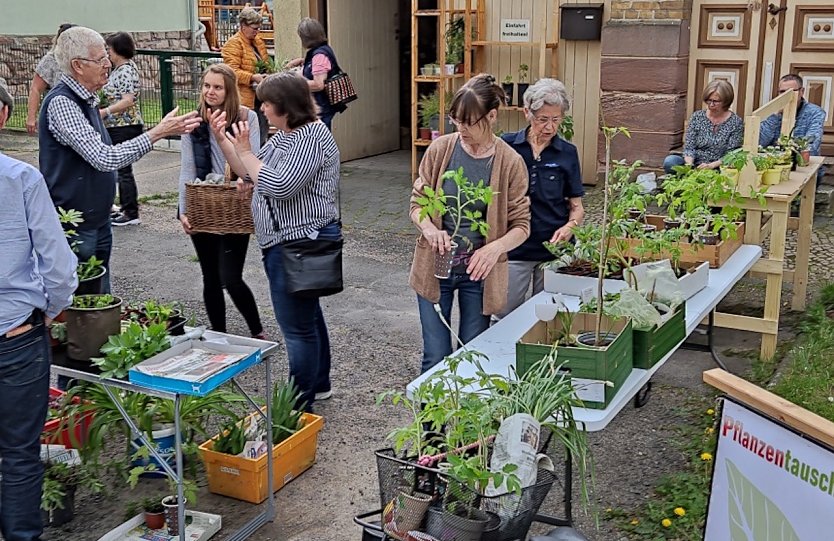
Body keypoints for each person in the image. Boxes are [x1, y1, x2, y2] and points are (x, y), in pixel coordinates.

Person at [210, 72, 341, 410]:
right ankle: (318, 384)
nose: (263, 109)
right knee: (307, 317)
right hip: (285, 242)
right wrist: (224, 140)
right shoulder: (286, 135)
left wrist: (250, 159)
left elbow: (281, 184)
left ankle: (298, 404)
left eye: (268, 103)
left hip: (298, 242)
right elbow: (249, 169)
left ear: (287, 106)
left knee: (297, 328)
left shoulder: (311, 136)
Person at [40, 26, 200, 293]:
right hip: (77, 224)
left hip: (96, 219)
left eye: (107, 57)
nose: (107, 64)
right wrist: (158, 132)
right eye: (100, 59)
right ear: (77, 66)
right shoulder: (63, 103)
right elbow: (104, 158)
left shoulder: (86, 99)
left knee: (101, 297)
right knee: (83, 302)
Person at [0, 76, 79, 541]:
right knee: (20, 455)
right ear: (4, 115)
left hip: (18, 334)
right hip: (16, 338)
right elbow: (58, 266)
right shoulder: (21, 179)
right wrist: (49, 310)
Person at [409, 74, 531, 373]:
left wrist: (493, 250)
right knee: (435, 357)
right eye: (456, 121)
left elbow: (522, 225)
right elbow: (417, 204)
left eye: (469, 122)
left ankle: (465, 420)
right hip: (436, 267)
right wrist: (430, 228)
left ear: (492, 116)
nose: (461, 129)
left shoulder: (510, 163)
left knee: (470, 356)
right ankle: (428, 422)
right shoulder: (441, 151)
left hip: (479, 274)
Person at [178, 64, 265, 340]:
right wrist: (183, 210)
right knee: (210, 277)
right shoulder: (194, 122)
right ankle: (219, 334)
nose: (210, 92)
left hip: (234, 206)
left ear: (229, 91)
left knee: (231, 276)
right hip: (204, 204)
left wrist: (246, 179)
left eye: (217, 87)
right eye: (206, 86)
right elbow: (187, 169)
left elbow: (254, 161)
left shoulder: (246, 118)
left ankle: (257, 330)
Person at [497, 78, 585, 319]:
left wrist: (570, 227)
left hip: (553, 250)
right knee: (502, 314)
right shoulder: (506, 146)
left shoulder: (567, 153)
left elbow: (577, 206)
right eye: (542, 119)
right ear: (527, 113)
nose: (549, 127)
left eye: (556, 119)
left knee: (548, 318)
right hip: (514, 249)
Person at [102, 32, 144, 226]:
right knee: (120, 169)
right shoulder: (119, 69)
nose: (107, 53)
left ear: (118, 50)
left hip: (124, 125)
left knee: (123, 170)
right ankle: (126, 207)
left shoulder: (125, 70)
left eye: (109, 49)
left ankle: (130, 211)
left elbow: (128, 100)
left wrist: (106, 111)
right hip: (118, 125)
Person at [663, 79, 744, 173]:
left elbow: (732, 154)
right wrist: (689, 164)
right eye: (709, 100)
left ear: (726, 101)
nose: (711, 105)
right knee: (670, 162)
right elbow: (689, 147)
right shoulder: (697, 117)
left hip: (718, 166)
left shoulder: (735, 122)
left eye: (716, 101)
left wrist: (711, 165)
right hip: (695, 163)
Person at [759, 74, 827, 183]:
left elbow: (812, 145)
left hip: (802, 168)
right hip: (772, 168)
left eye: (791, 92)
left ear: (801, 91)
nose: (787, 96)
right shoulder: (772, 110)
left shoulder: (815, 113)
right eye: (782, 92)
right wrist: (776, 116)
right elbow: (760, 142)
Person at [286, 17, 346, 130]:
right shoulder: (323, 49)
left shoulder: (319, 55)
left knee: (318, 140)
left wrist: (294, 82)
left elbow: (319, 84)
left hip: (320, 107)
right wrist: (302, 61)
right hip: (323, 106)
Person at [221, 6, 269, 144]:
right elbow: (231, 71)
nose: (257, 31)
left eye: (258, 28)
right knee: (249, 135)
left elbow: (265, 62)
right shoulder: (233, 44)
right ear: (243, 26)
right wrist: (253, 77)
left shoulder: (258, 41)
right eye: (254, 28)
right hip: (245, 98)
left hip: (261, 96)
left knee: (261, 131)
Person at [26, 22, 76, 135]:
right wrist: (31, 118)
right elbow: (36, 88)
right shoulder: (51, 59)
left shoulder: (83, 59)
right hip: (56, 114)